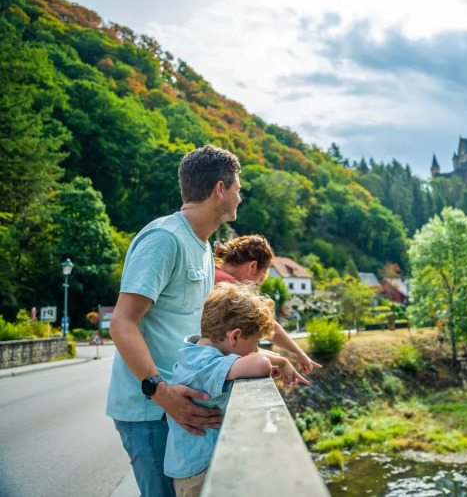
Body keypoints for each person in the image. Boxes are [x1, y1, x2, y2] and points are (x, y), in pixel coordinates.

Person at [106, 145, 245, 497]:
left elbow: (193, 332)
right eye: (237, 188)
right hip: (152, 410)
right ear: (219, 189)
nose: (240, 197)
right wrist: (160, 392)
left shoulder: (201, 244)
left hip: (179, 408)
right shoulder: (165, 238)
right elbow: (122, 323)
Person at [164, 282, 308, 496]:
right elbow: (258, 364)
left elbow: (243, 357)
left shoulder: (196, 351)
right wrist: (269, 361)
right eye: (257, 343)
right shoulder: (205, 364)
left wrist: (282, 361)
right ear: (234, 336)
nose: (257, 350)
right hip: (199, 472)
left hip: (194, 464)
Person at [213, 235, 321, 373]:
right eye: (261, 278)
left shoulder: (212, 273)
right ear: (252, 266)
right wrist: (298, 354)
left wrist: (266, 355)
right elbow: (265, 324)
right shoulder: (230, 288)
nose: (257, 287)